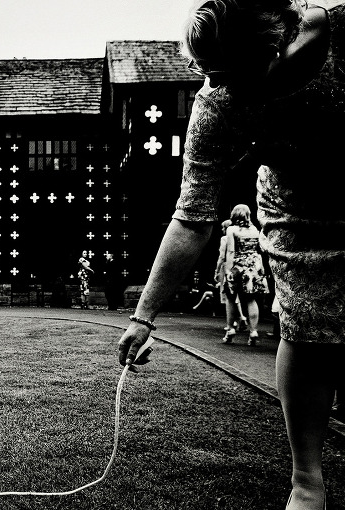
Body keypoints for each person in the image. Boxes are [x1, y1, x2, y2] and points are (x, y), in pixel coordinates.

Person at [118, 1, 344, 508]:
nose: (223, 88)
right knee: (306, 328)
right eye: (211, 75)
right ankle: (307, 481)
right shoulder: (219, 101)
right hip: (297, 212)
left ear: (280, 39)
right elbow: (192, 216)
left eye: (235, 73)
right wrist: (144, 316)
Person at [222, 204, 269, 345]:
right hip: (253, 266)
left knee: (231, 297)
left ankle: (230, 329)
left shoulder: (231, 229)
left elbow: (230, 251)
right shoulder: (255, 230)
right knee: (251, 299)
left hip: (238, 265)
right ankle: (253, 331)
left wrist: (229, 271)